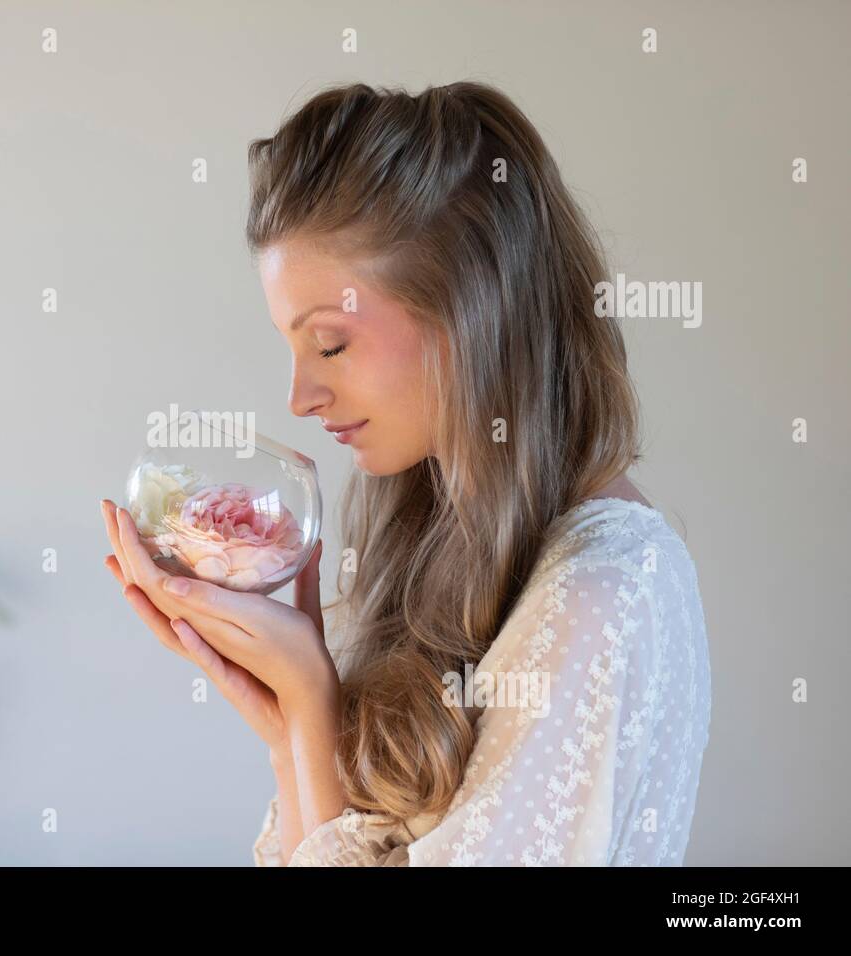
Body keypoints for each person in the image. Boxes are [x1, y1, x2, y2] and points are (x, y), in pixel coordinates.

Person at [100, 81, 711, 865]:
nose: (299, 397)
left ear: (467, 308)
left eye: (329, 344)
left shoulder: (597, 597)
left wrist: (315, 705)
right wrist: (290, 729)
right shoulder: (450, 548)